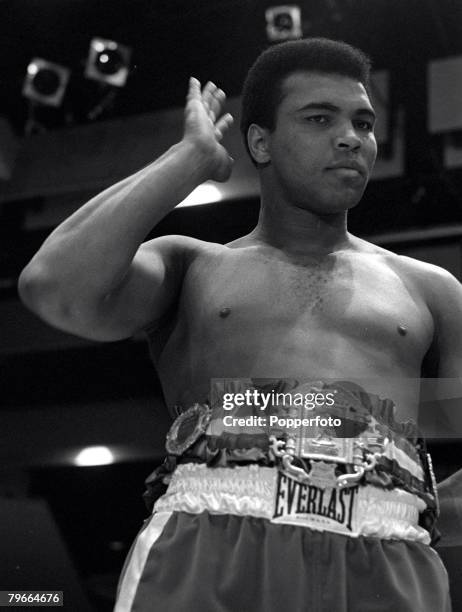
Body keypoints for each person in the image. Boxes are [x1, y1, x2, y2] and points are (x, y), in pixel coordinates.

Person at [18, 38, 459, 611]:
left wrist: (400, 504)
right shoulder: (194, 267)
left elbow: (447, 419)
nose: (351, 137)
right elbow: (53, 289)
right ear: (260, 141)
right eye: (320, 118)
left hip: (388, 552)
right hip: (212, 539)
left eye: (364, 122)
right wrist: (187, 161)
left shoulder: (427, 291)